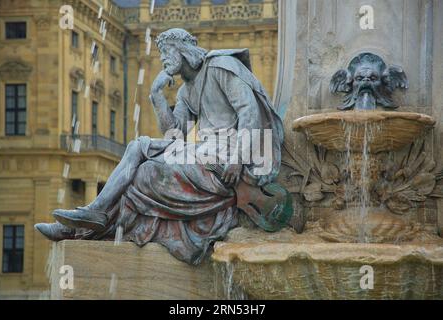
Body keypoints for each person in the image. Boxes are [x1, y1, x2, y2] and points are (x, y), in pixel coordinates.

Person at [35, 28, 284, 265]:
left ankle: (88, 218)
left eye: (166, 53)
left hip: (226, 159)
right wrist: (156, 95)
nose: (163, 60)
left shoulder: (221, 66)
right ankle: (85, 223)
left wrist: (238, 158)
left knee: (141, 156)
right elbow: (175, 136)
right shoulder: (187, 90)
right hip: (203, 154)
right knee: (140, 166)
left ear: (181, 50)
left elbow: (249, 111)